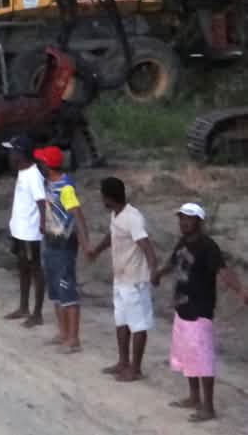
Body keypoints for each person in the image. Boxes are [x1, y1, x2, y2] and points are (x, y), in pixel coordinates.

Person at [151, 203, 248, 423]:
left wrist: (241, 290)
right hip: (183, 307)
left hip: (200, 310)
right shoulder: (184, 242)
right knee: (187, 356)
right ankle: (194, 398)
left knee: (202, 360)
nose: (184, 222)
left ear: (200, 222)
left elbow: (223, 270)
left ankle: (209, 407)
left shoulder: (207, 246)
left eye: (189, 218)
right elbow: (174, 263)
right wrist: (158, 274)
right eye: (182, 218)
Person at [89, 177, 158, 382]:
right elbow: (112, 236)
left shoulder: (133, 217)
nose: (101, 198)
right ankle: (123, 362)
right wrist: (97, 250)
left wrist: (153, 271)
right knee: (121, 321)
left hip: (135, 279)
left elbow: (146, 246)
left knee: (137, 325)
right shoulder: (116, 214)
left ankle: (135, 369)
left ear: (108, 197)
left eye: (102, 194)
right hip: (121, 278)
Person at [35, 146, 91, 352]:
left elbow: (77, 215)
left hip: (63, 244)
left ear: (48, 165)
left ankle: (73, 338)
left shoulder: (65, 188)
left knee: (66, 289)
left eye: (42, 162)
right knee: (56, 290)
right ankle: (64, 333)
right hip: (52, 241)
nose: (40, 165)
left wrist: (85, 244)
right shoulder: (50, 183)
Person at [3, 135, 47, 328]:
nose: (10, 155)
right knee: (22, 268)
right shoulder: (23, 172)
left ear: (20, 154)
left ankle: (37, 313)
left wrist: (43, 225)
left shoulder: (33, 175)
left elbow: (41, 202)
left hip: (30, 233)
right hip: (20, 230)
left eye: (12, 151)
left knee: (35, 270)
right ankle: (23, 307)